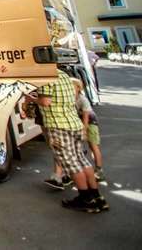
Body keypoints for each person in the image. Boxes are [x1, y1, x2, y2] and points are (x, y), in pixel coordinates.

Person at [34, 70, 108, 213]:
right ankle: (97, 197)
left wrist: (30, 98)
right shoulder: (64, 75)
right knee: (81, 160)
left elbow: (45, 101)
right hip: (74, 123)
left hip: (58, 126)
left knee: (71, 163)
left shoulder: (44, 77)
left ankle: (86, 199)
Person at [73, 79, 105, 181]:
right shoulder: (70, 98)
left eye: (72, 87)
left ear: (78, 88)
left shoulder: (83, 99)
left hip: (91, 123)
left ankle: (99, 169)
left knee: (93, 146)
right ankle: (81, 170)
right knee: (78, 147)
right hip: (79, 123)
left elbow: (86, 117)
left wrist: (84, 131)